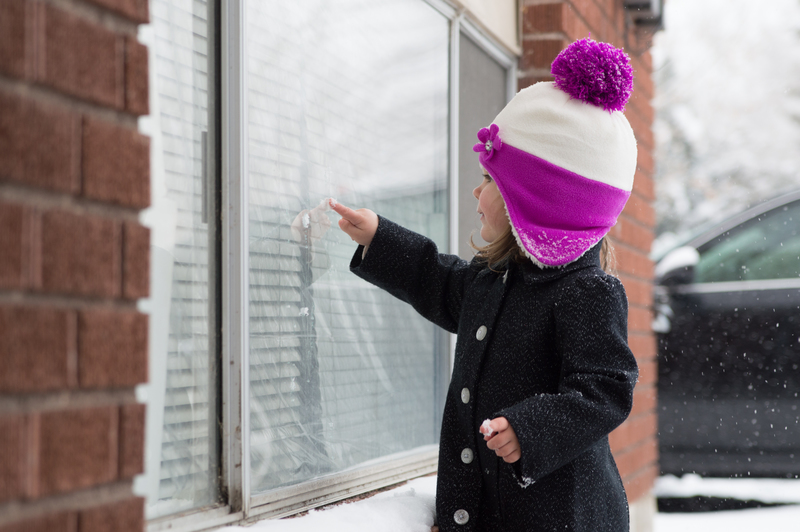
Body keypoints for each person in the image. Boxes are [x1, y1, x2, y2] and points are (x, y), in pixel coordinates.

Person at [330, 37, 639, 532]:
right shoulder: (494, 281)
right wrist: (379, 239)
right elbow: (438, 278)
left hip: (562, 517)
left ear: (535, 201)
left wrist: (532, 428)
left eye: (491, 181)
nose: (477, 191)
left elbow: (605, 391)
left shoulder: (587, 293)